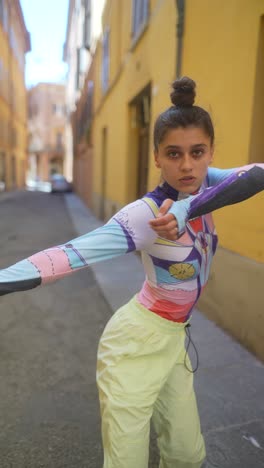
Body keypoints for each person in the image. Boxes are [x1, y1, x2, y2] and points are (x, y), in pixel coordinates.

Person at [0, 76, 263, 468]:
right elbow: (71, 254)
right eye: (173, 154)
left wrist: (187, 208)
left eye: (198, 152)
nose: (187, 165)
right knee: (128, 461)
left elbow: (257, 173)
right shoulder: (144, 215)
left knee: (187, 454)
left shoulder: (208, 184)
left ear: (210, 153)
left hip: (174, 341)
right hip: (135, 343)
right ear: (156, 156)